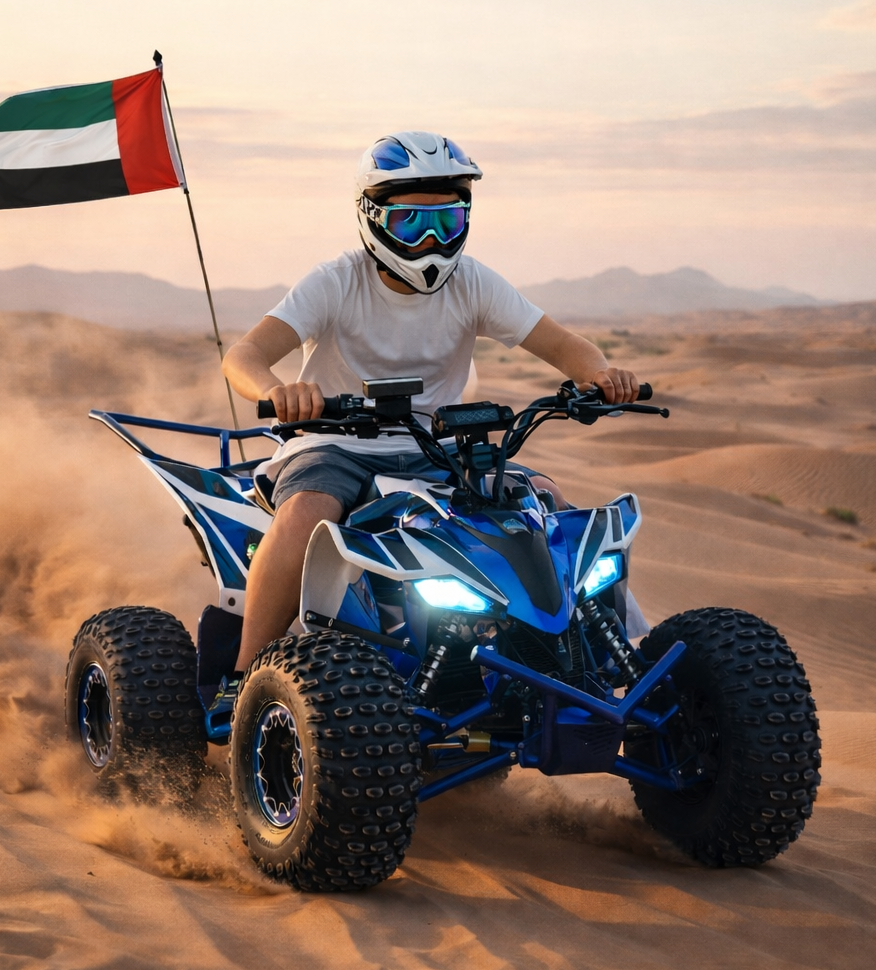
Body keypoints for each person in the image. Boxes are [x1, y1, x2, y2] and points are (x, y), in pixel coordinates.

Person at [223, 131, 640, 680]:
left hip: (439, 452)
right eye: (411, 223)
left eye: (447, 221)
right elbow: (244, 355)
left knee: (549, 505)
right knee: (305, 516)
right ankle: (246, 678)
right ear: (372, 217)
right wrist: (278, 391)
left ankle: (611, 655)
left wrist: (601, 375)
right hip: (334, 445)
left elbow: (564, 346)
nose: (430, 241)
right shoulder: (335, 282)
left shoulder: (472, 283)